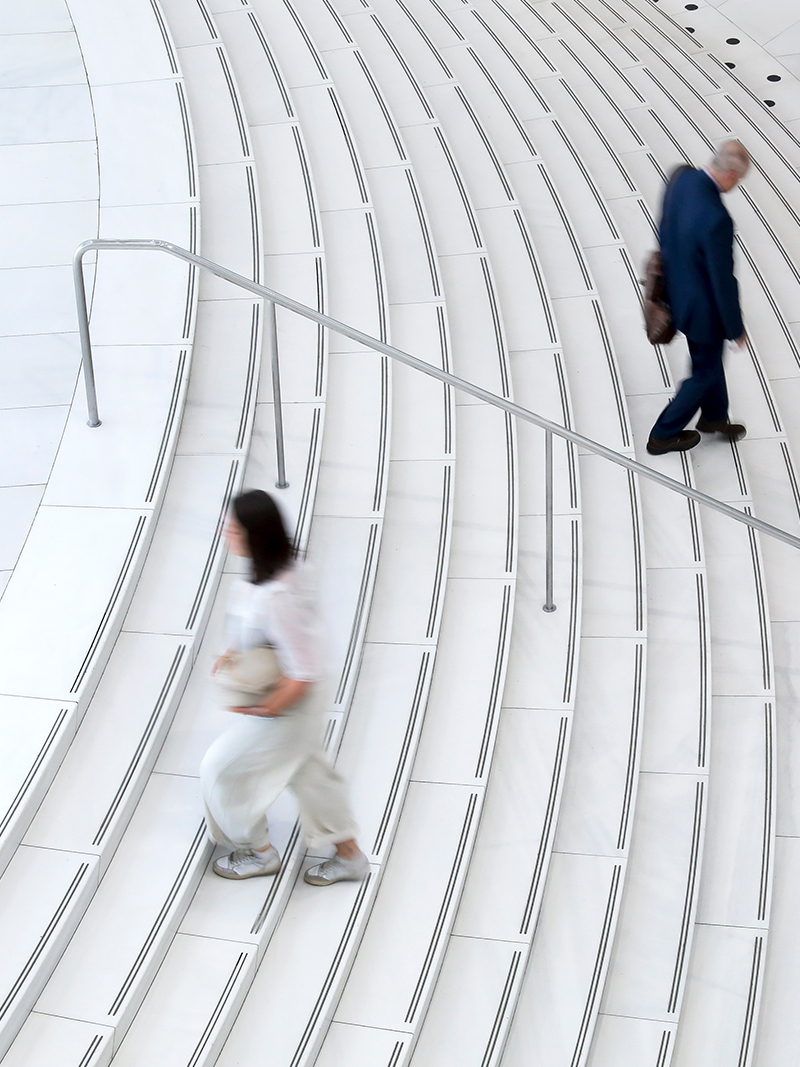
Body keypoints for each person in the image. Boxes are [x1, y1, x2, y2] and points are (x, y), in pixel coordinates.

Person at [200, 489, 369, 885]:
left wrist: (263, 710)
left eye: (232, 528)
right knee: (309, 775)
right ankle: (350, 857)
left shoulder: (275, 596)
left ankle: (258, 852)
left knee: (221, 770)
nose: (225, 533)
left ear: (254, 535)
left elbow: (302, 671)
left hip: (289, 703)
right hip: (295, 700)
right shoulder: (285, 569)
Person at [647, 141, 750, 455]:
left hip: (677, 292)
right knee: (704, 372)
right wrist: (735, 328)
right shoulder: (718, 219)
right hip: (702, 308)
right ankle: (663, 434)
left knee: (709, 360)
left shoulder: (682, 177)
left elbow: (664, 227)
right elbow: (723, 282)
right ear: (730, 175)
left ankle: (714, 418)